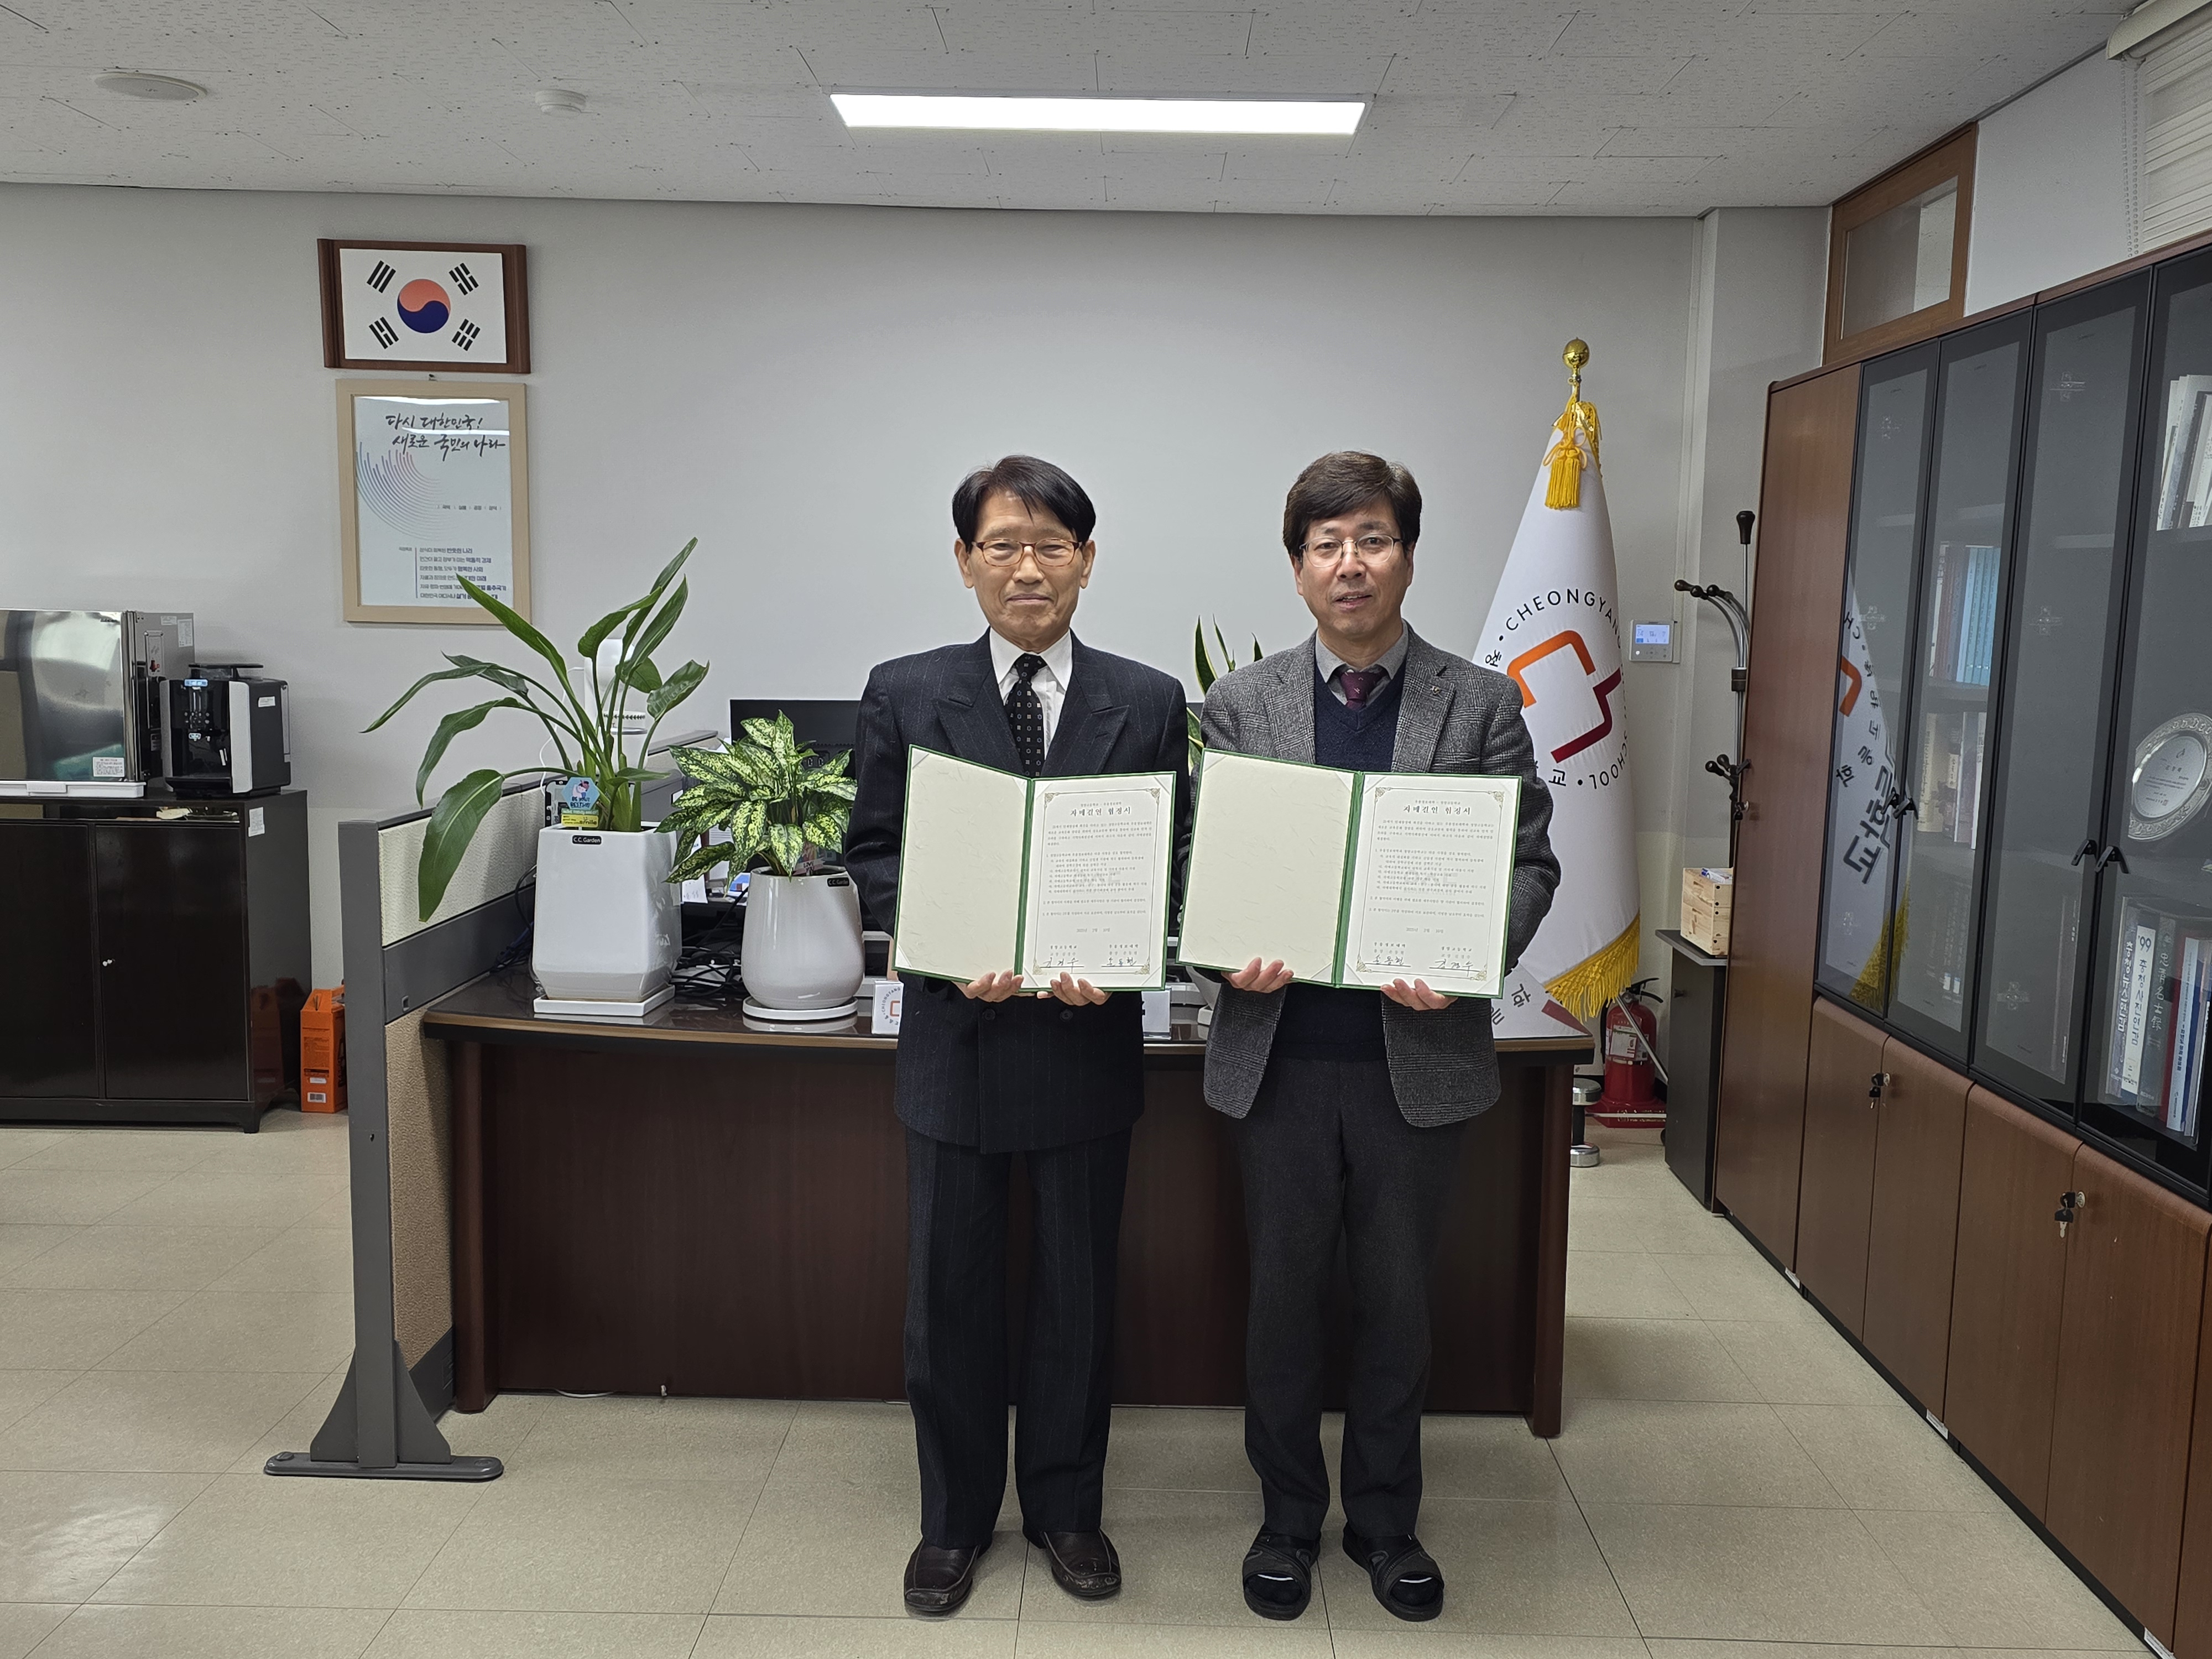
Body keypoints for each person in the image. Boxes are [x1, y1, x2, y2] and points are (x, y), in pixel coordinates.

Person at [1200, 450, 1558, 1624]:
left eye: (1369, 539)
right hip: (1283, 1056)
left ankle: (1386, 1525)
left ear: (1404, 551)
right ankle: (1285, 1520)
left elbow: (1527, 862)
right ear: (1297, 566)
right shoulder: (1241, 705)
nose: (1346, 565)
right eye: (1323, 545)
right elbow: (1207, 870)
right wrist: (1222, 951)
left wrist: (1464, 966)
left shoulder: (1480, 701)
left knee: (1398, 1304)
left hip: (1417, 1061)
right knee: (1283, 1302)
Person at [845, 455, 1193, 1618]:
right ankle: (952, 1523)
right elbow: (875, 851)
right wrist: (942, 943)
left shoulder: (1145, 700)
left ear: (1086, 562)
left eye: (1051, 545)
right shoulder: (905, 689)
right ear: (964, 563)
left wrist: (1129, 951)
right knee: (946, 1302)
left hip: (1085, 1045)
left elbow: (1166, 857)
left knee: (1075, 1299)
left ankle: (1065, 1512)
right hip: (954, 1045)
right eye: (1002, 545)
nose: (1027, 567)